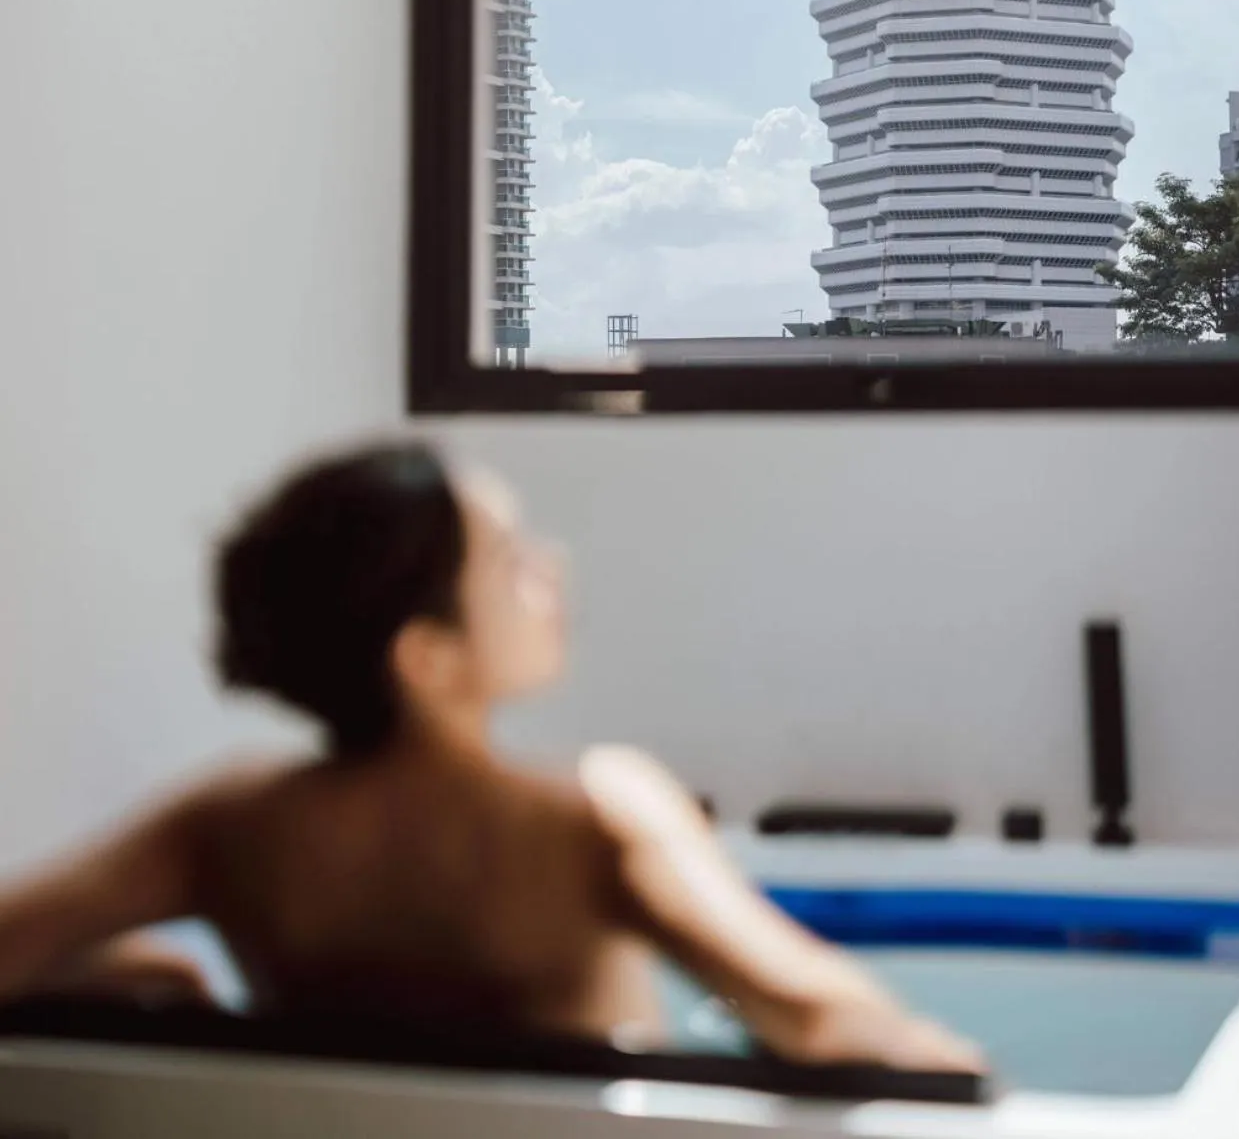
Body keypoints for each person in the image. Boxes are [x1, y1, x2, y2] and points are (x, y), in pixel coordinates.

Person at [0, 443, 979, 1072]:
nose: (550, 569)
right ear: (425, 655)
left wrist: (129, 979)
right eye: (512, 562)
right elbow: (817, 1019)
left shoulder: (229, 825)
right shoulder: (596, 813)